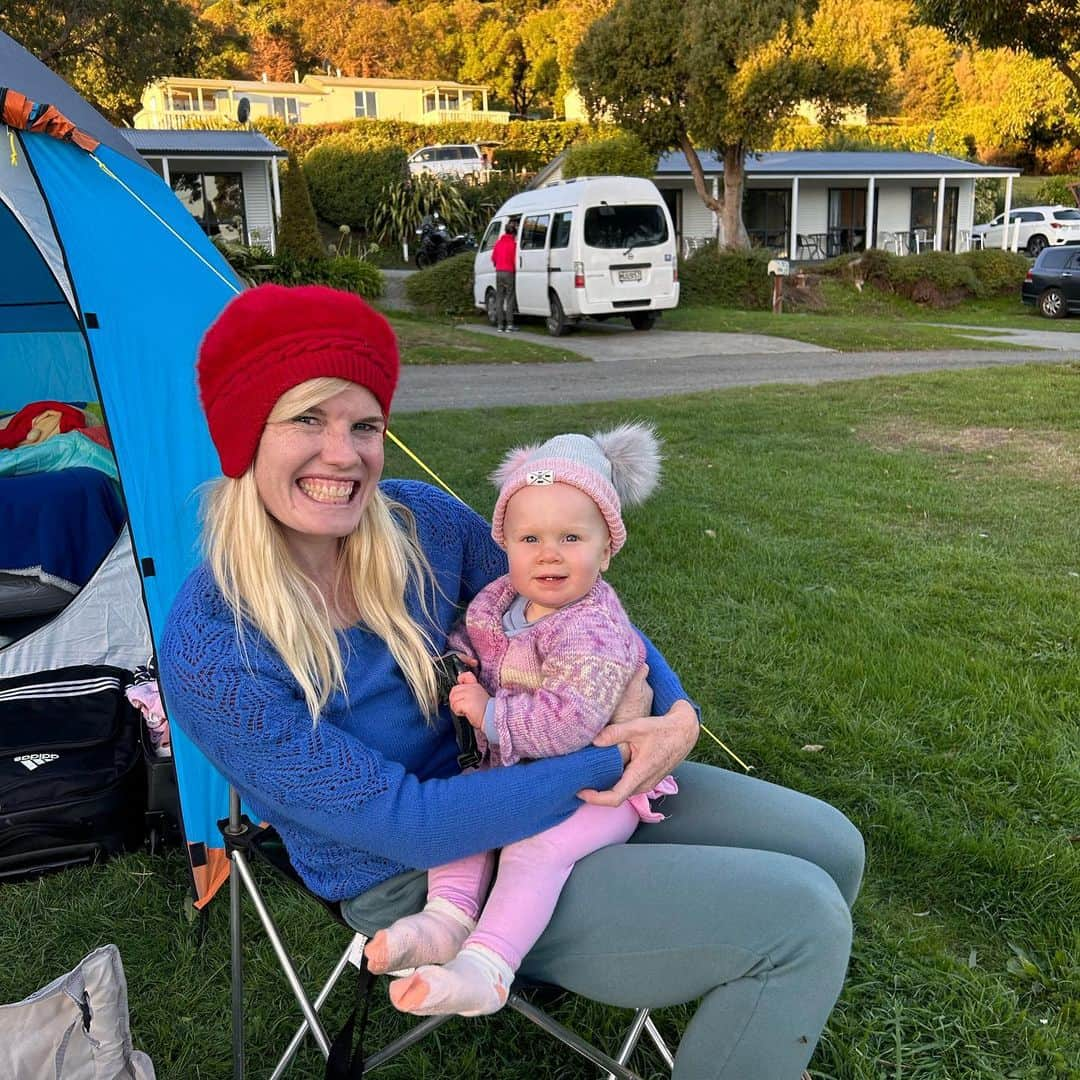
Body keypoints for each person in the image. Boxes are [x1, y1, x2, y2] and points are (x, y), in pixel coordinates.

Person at [160, 283, 865, 1080]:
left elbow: (584, 613)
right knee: (799, 920)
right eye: (308, 420)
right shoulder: (214, 650)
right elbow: (411, 823)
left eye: (365, 425)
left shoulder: (417, 522)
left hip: (537, 773)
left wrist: (674, 718)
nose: (343, 454)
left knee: (830, 847)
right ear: (243, 436)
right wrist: (608, 758)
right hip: (418, 874)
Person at [369, 423, 679, 1017]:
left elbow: (568, 725)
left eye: (571, 537)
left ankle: (488, 964)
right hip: (512, 769)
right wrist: (457, 661)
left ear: (608, 548)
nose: (549, 553)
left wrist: (489, 712)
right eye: (529, 537)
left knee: (534, 849)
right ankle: (445, 919)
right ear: (504, 544)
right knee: (462, 814)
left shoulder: (594, 628)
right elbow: (475, 639)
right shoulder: (499, 601)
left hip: (596, 789)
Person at [491, 219, 518, 332]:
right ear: (513, 233)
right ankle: (510, 324)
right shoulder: (514, 245)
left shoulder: (498, 244)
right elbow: (515, 260)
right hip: (509, 272)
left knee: (500, 297)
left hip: (499, 272)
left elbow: (493, 258)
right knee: (510, 297)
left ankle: (500, 325)